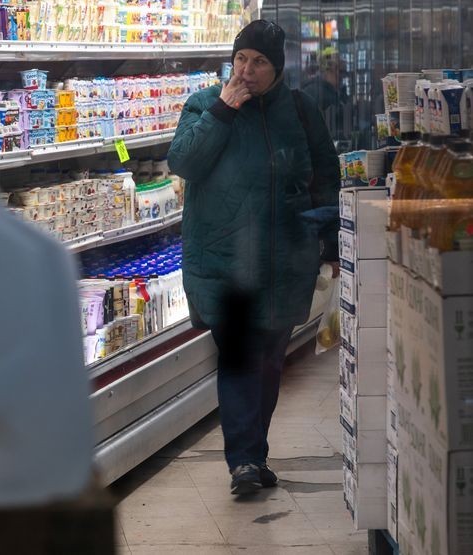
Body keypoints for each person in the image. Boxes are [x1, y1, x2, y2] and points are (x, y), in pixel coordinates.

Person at [167, 20, 340, 495]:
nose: (246, 70)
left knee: (269, 362)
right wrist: (223, 111)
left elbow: (326, 177)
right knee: (241, 356)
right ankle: (243, 460)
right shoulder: (205, 104)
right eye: (241, 59)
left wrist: (330, 243)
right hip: (225, 261)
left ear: (277, 68)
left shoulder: (299, 110)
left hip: (286, 261)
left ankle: (254, 453)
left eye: (259, 62)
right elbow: (183, 162)